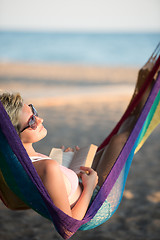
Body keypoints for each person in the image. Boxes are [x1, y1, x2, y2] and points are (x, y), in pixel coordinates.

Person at [0, 67, 155, 220]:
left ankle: (145, 96)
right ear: (14, 135)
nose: (40, 120)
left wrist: (64, 163)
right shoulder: (46, 167)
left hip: (82, 182)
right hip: (96, 204)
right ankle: (149, 97)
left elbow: (48, 186)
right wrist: (89, 187)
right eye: (32, 121)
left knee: (114, 143)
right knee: (120, 140)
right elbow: (69, 227)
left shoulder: (20, 161)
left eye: (34, 111)